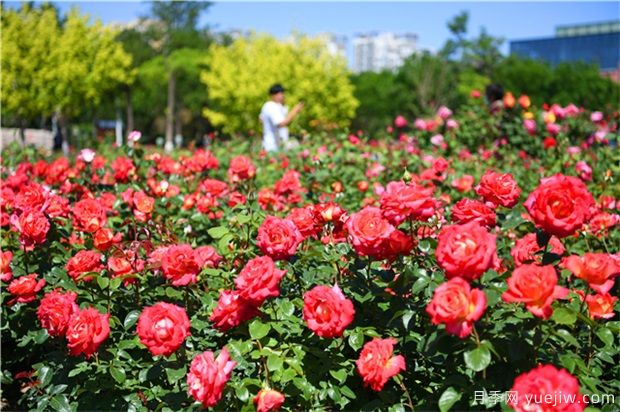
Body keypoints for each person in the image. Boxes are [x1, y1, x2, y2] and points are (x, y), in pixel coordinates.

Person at [259, 84, 303, 152]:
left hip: (279, 146)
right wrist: (295, 111)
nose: (282, 96)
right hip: (272, 147)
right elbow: (282, 124)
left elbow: (261, 120)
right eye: (278, 94)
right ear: (272, 95)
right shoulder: (270, 106)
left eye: (282, 93)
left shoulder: (277, 106)